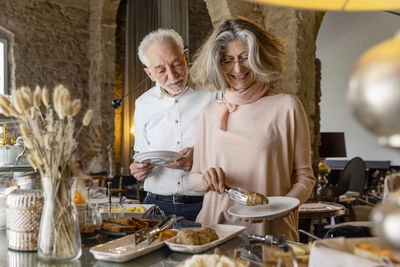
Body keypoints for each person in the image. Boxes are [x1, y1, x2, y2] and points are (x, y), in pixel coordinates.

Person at [188, 17, 316, 241]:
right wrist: (206, 179)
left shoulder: (287, 106)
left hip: (272, 233)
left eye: (244, 57)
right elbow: (194, 178)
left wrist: (278, 210)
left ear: (259, 57)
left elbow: (305, 178)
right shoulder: (209, 112)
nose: (237, 68)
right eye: (227, 60)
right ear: (217, 63)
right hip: (214, 231)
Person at [129, 29, 219, 221]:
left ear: (185, 57)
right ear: (149, 73)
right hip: (155, 206)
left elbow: (234, 149)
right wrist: (138, 169)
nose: (172, 74)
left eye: (176, 64)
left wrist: (200, 159)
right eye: (161, 70)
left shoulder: (214, 93)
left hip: (205, 204)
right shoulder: (143, 104)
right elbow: (141, 154)